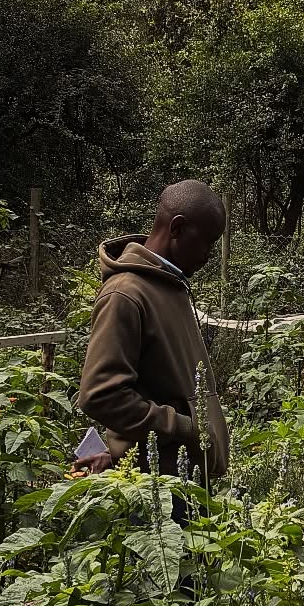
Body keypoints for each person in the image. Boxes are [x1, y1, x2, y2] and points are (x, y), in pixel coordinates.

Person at [75, 180, 230, 482]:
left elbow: (160, 384)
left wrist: (118, 451)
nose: (208, 256)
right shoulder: (125, 294)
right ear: (177, 228)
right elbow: (101, 395)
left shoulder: (170, 285)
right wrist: (184, 427)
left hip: (186, 477)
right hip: (160, 486)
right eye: (207, 242)